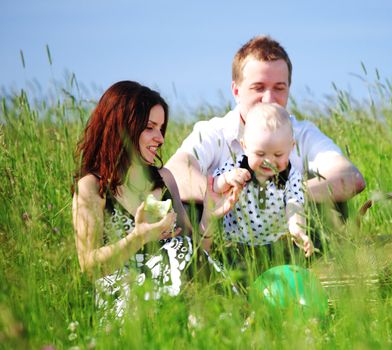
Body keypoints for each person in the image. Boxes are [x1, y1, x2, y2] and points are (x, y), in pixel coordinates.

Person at [165, 35, 365, 224]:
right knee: (184, 206)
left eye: (279, 88)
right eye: (258, 87)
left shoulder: (303, 133)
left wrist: (285, 197)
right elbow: (174, 173)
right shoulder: (214, 132)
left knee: (333, 202)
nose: (269, 99)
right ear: (236, 91)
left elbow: (350, 178)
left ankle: (319, 260)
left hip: (290, 233)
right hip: (223, 231)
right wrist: (221, 193)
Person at [72, 80, 196, 317]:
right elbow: (88, 267)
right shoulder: (92, 187)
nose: (159, 138)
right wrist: (139, 237)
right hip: (124, 304)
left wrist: (213, 213)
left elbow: (191, 246)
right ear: (122, 127)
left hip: (175, 296)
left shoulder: (164, 179)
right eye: (150, 127)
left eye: (161, 128)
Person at [209, 103, 313, 258]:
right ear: (244, 146)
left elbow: (294, 204)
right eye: (260, 153)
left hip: (277, 245)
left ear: (291, 147)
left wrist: (297, 229)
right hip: (237, 245)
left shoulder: (290, 175)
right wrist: (226, 178)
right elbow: (215, 186)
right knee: (237, 276)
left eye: (278, 155)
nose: (269, 161)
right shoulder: (236, 166)